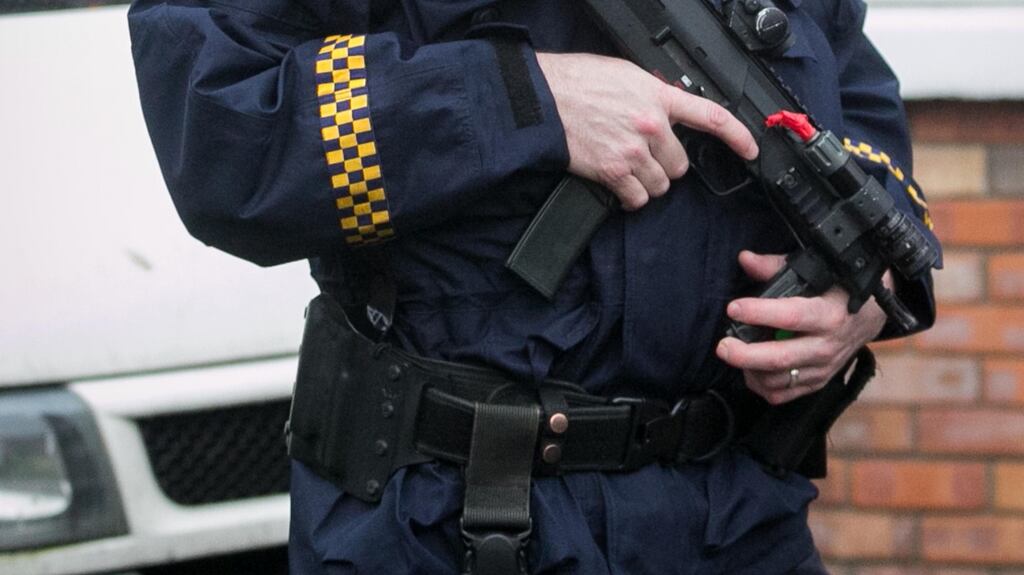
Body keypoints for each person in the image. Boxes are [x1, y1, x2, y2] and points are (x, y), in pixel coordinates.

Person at [128, 0, 940, 572]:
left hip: (736, 517)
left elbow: (858, 119)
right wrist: (523, 100)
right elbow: (222, 133)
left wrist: (859, 293)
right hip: (448, 521)